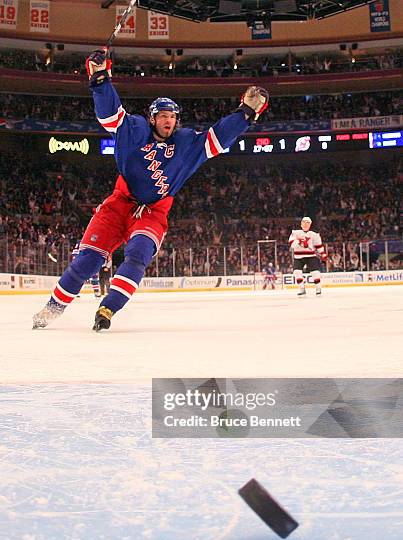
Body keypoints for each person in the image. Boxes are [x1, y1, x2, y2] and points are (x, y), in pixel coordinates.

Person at [33, 49, 269, 331]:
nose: (169, 120)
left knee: (138, 253)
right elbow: (110, 114)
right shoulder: (133, 129)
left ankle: (108, 308)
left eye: (173, 116)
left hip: (154, 211)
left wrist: (245, 113)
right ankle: (52, 308)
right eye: (163, 115)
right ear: (153, 118)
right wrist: (99, 77)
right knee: (88, 261)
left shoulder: (186, 143)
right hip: (120, 202)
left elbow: (218, 136)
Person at [288, 217, 327, 296]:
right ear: (301, 224)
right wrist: (300, 241)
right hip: (298, 256)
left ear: (310, 224)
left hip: (311, 256)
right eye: (304, 222)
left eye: (307, 223)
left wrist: (323, 253)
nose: (305, 224)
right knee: (297, 272)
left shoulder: (314, 234)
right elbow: (292, 245)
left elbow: (318, 246)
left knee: (315, 272)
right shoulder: (295, 233)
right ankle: (302, 288)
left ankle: (318, 288)